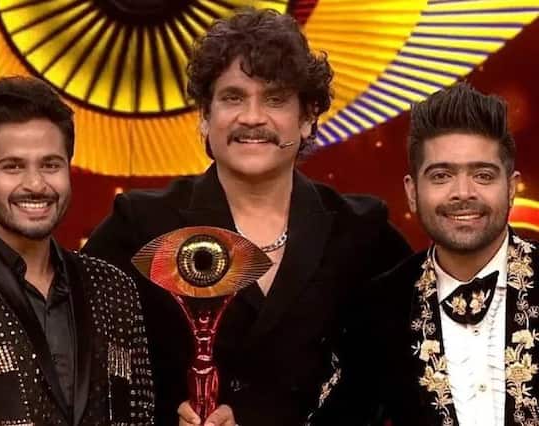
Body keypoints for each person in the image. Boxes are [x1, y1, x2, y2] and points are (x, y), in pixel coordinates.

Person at [83, 8, 411, 426]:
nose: (253, 118)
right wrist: (161, 416)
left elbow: (408, 376)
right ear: (205, 116)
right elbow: (79, 361)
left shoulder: (364, 235)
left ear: (307, 118)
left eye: (275, 99)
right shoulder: (139, 226)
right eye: (233, 97)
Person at [0, 76, 154, 425]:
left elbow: (138, 415)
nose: (36, 184)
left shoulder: (113, 289)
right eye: (13, 166)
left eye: (50, 165)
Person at [361, 82, 538, 426]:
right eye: (441, 176)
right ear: (412, 192)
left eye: (483, 175)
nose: (463, 192)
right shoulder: (376, 310)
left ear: (511, 188)